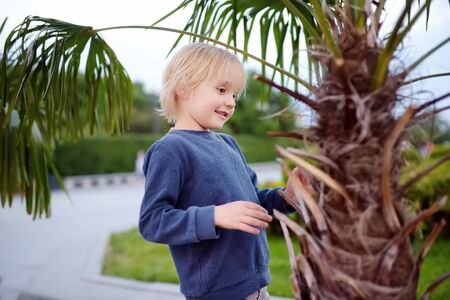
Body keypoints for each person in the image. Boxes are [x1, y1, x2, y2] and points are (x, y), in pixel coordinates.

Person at [138, 42, 311, 300]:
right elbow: (152, 221)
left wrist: (287, 197)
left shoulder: (228, 143)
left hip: (256, 284)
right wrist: (215, 216)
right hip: (216, 293)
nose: (230, 102)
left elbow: (252, 203)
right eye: (221, 90)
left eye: (234, 95)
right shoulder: (170, 150)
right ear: (184, 87)